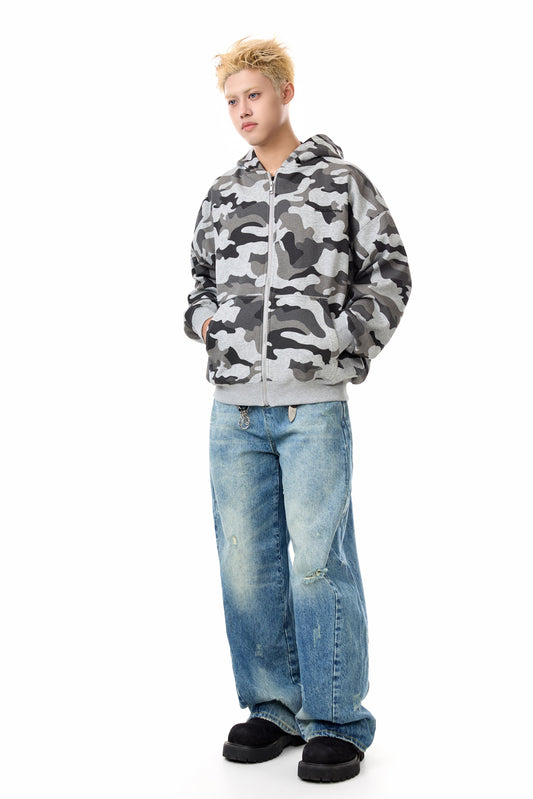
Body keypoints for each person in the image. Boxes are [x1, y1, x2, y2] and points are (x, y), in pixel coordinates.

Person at [183, 35, 412, 783]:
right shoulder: (222, 194)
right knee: (245, 565)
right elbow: (197, 282)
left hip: (311, 409)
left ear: (285, 91)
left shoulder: (342, 183)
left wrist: (343, 339)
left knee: (317, 564)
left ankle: (338, 719)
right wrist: (207, 323)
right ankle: (274, 707)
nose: (241, 111)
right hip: (234, 413)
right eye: (231, 102)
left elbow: (391, 270)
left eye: (252, 95)